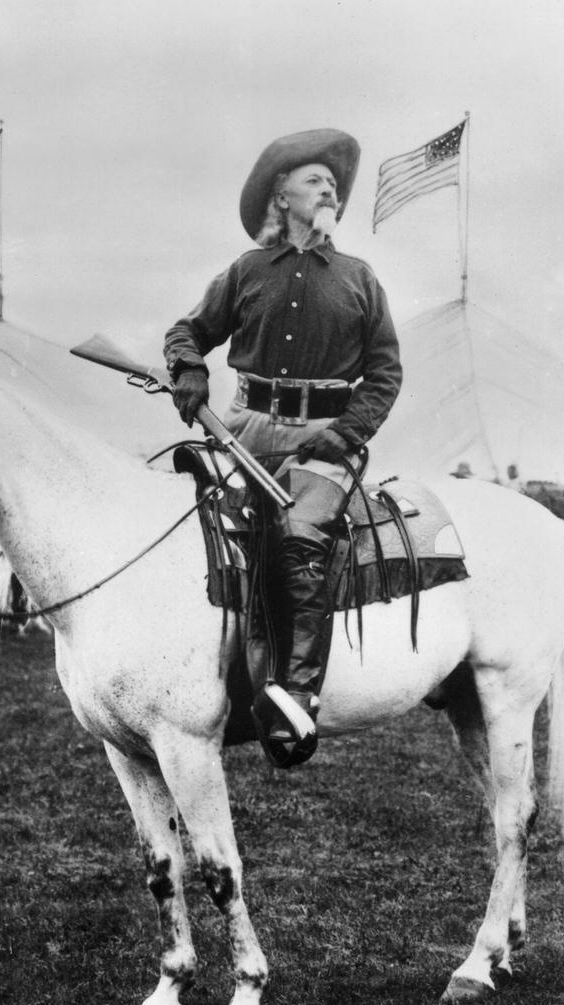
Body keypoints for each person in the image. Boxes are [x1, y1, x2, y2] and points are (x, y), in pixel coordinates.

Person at [164, 127, 402, 766]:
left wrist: (344, 435)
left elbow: (384, 374)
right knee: (190, 530)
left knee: (298, 544)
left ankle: (290, 702)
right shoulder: (245, 273)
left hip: (324, 443)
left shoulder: (359, 279)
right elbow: (187, 330)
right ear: (282, 195)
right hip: (242, 432)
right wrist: (190, 368)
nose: (328, 188)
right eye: (314, 179)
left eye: (333, 182)